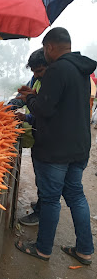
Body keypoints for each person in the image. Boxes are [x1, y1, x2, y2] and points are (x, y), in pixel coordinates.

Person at [15, 27, 96, 264]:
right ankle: (84, 250)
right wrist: (34, 95)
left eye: (44, 49)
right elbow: (59, 105)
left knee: (50, 200)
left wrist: (29, 98)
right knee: (76, 196)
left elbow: (43, 109)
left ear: (49, 47)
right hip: (78, 146)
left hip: (56, 149)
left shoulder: (57, 69)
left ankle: (42, 249)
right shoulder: (81, 71)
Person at [9, 48, 48, 225]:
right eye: (34, 72)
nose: (36, 75)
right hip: (39, 133)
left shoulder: (52, 83)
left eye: (39, 71)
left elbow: (45, 112)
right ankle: (41, 204)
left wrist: (28, 115)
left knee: (46, 179)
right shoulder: (35, 80)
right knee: (40, 176)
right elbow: (23, 96)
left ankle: (41, 211)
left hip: (49, 137)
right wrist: (10, 106)